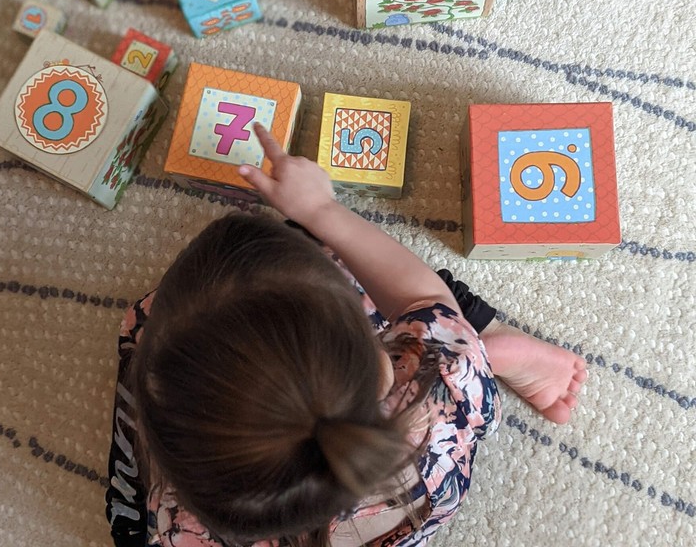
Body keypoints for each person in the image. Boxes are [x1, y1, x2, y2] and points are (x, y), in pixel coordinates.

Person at [106, 124, 587, 547]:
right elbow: (418, 294)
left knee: (143, 337)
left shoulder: (184, 528)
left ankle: (475, 345)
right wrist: (320, 209)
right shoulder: (439, 394)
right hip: (434, 456)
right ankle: (482, 345)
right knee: (422, 311)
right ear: (383, 359)